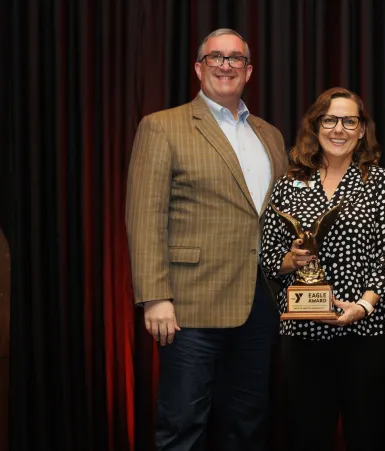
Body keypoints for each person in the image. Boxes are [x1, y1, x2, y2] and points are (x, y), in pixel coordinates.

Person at [125, 28, 289, 450]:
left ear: (248, 71)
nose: (225, 65)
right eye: (215, 57)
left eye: (235, 59)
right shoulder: (162, 127)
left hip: (259, 304)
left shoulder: (270, 136)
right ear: (199, 67)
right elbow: (144, 215)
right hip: (189, 306)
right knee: (183, 425)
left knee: (248, 425)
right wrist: (155, 296)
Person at [260, 87, 385, 451]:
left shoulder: (381, 182)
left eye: (349, 121)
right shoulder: (289, 183)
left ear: (361, 130)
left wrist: (364, 305)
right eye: (329, 120)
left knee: (368, 432)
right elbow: (268, 255)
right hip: (304, 332)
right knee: (308, 433)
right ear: (316, 126)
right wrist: (292, 258)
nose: (338, 129)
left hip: (369, 331)